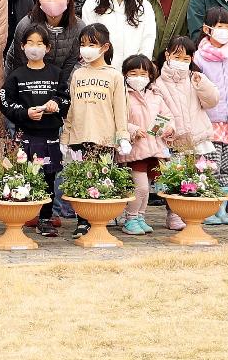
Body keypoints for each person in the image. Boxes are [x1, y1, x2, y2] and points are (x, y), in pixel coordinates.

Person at [0, 21, 70, 235]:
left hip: (50, 135)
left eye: (39, 43)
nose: (34, 47)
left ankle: (46, 218)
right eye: (30, 42)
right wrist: (25, 113)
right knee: (25, 175)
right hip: (25, 135)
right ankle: (24, 214)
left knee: (49, 177)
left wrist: (56, 104)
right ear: (22, 46)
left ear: (47, 48)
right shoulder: (16, 75)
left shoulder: (56, 73)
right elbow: (5, 103)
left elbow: (66, 99)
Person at [62, 23, 131, 235]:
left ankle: (98, 219)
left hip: (103, 138)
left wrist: (123, 137)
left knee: (100, 178)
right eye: (83, 44)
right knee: (81, 178)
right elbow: (71, 109)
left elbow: (121, 110)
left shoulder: (115, 76)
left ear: (105, 47)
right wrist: (65, 137)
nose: (86, 48)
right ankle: (82, 221)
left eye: (92, 44)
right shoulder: (77, 74)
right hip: (79, 136)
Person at [150, 35, 219, 231]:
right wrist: (162, 131)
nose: (181, 62)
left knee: (197, 175)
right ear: (167, 55)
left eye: (186, 59)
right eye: (177, 57)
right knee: (175, 177)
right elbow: (157, 113)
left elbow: (212, 101)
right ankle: (174, 213)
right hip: (173, 140)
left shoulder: (195, 78)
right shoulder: (158, 84)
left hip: (196, 137)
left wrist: (202, 85)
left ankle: (194, 211)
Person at [192, 4, 228, 223]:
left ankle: (222, 209)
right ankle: (207, 208)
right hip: (211, 120)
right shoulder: (198, 57)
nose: (224, 31)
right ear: (207, 29)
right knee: (210, 165)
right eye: (220, 26)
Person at [117, 52, 165, 235]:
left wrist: (164, 128)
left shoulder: (155, 95)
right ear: (125, 75)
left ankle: (140, 217)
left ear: (150, 76)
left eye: (143, 74)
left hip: (154, 148)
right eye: (133, 73)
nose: (138, 78)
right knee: (141, 187)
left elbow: (165, 116)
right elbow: (118, 119)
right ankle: (130, 218)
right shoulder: (123, 95)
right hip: (134, 149)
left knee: (148, 186)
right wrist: (132, 129)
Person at [6, 0, 81, 84]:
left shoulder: (79, 27)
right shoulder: (25, 25)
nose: (52, 1)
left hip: (63, 87)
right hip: (29, 85)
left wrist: (61, 93)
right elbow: (18, 63)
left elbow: (72, 64)